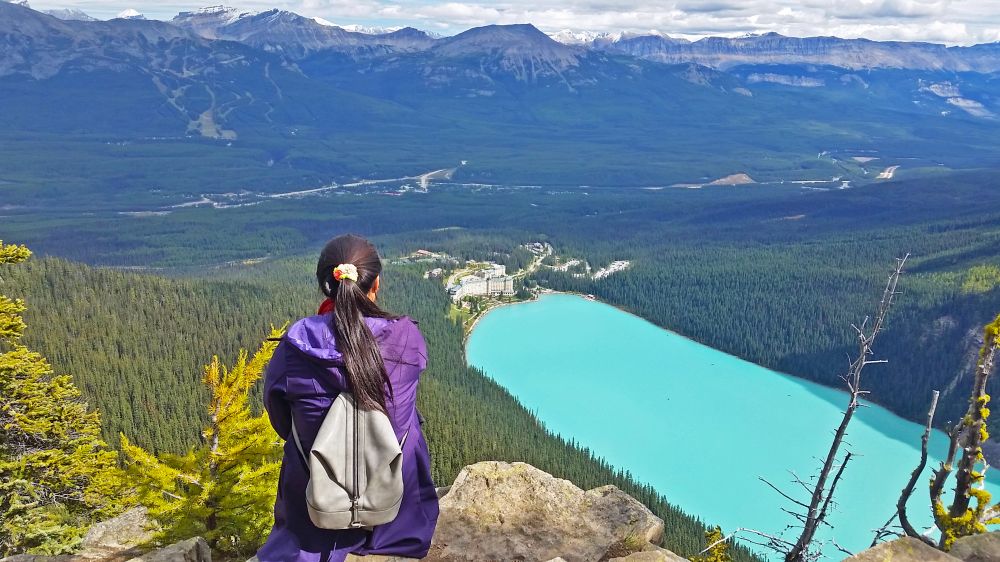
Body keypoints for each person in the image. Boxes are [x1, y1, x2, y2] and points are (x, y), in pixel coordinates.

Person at [256, 234, 439, 562]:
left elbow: (280, 418)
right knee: (410, 417)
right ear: (376, 283)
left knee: (300, 436)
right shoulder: (406, 337)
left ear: (325, 285)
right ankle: (387, 530)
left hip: (316, 511)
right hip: (397, 513)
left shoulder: (294, 347)